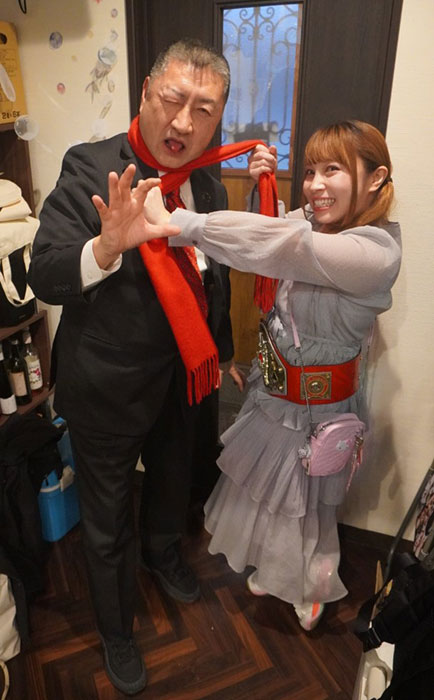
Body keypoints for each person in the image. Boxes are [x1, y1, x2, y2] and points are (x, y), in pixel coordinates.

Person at [27, 39, 244, 696]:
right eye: (173, 100)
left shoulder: (207, 181)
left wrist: (225, 352)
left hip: (184, 378)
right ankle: (116, 628)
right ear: (146, 93)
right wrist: (103, 248)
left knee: (172, 483)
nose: (183, 122)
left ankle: (163, 554)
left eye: (203, 110)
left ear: (218, 118)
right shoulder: (90, 167)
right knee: (107, 518)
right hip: (107, 388)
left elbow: (212, 279)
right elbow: (44, 273)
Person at [143, 119, 402, 632]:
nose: (315, 185)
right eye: (309, 171)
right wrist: (263, 188)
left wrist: (179, 223)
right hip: (279, 391)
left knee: (306, 505)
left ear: (375, 178)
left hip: (319, 408)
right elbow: (271, 235)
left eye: (333, 170)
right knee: (274, 497)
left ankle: (312, 584)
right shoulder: (318, 223)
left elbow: (283, 247)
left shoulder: (374, 252)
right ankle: (283, 570)